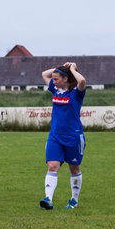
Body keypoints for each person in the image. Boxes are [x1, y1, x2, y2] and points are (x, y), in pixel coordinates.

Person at [39, 61, 87, 210]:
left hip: (73, 136)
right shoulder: (55, 90)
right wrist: (61, 67)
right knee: (52, 166)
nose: (53, 81)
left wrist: (71, 69)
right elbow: (44, 74)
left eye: (56, 79)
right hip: (55, 136)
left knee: (74, 168)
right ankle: (48, 199)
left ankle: (74, 199)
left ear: (65, 79)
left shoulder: (76, 93)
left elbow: (82, 81)